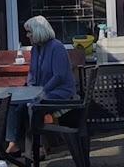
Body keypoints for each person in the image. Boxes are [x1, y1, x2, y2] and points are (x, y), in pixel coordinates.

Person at [5, 15, 77, 156]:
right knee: (14, 104)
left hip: (60, 92)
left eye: (29, 32)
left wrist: (41, 91)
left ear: (38, 31)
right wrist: (30, 88)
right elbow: (32, 73)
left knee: (33, 105)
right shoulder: (35, 49)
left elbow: (59, 76)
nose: (27, 35)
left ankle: (40, 145)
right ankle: (13, 143)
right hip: (39, 91)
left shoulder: (57, 47)